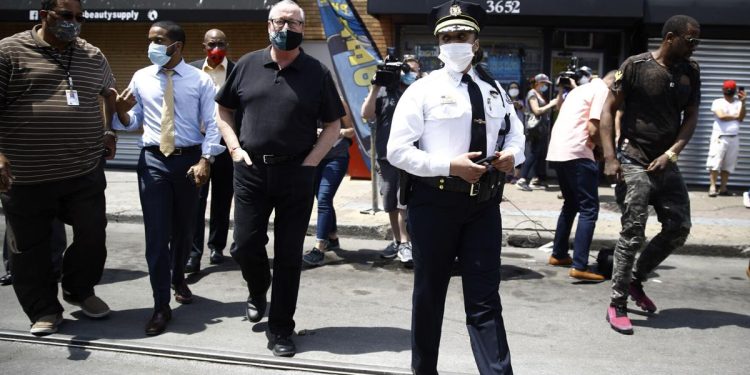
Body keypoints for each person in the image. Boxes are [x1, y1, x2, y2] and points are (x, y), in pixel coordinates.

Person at [387, 1, 525, 373]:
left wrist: (513, 155)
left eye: (461, 35)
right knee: (429, 297)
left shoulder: (494, 88)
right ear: (438, 44)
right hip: (435, 204)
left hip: (484, 207)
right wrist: (449, 166)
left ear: (476, 41)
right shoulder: (422, 90)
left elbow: (516, 133)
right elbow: (396, 151)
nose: (454, 42)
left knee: (485, 300)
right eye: (446, 37)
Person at [214, 0, 344, 357]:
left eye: (293, 22)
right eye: (279, 21)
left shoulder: (316, 72)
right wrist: (235, 148)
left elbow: (333, 124)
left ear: (303, 28)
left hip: (295, 175)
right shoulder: (246, 65)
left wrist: (312, 162)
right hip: (251, 171)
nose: (285, 28)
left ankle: (282, 329)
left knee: (288, 255)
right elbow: (224, 108)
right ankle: (258, 289)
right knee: (243, 244)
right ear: (268, 25)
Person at [0, 0, 117, 336]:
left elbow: (108, 93)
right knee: (30, 247)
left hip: (83, 168)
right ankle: (44, 309)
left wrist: (109, 131)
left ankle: (79, 290)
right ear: (44, 16)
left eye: (80, 17)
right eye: (67, 16)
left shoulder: (91, 54)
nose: (75, 23)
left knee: (93, 234)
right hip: (26, 174)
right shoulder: (10, 51)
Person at [111, 20, 224, 336]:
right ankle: (161, 305)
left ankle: (178, 278)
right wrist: (119, 111)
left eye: (159, 40)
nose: (153, 47)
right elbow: (132, 120)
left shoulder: (200, 81)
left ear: (178, 46)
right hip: (153, 162)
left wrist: (206, 159)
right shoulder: (141, 77)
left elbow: (213, 123)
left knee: (185, 229)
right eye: (150, 40)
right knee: (157, 236)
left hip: (189, 162)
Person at [599, 15, 701, 335]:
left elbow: (692, 115)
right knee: (634, 230)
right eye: (690, 40)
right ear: (670, 38)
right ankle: (616, 303)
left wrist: (671, 154)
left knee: (678, 227)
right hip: (633, 159)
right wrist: (610, 158)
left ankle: (634, 280)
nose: (694, 47)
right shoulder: (635, 65)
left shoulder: (691, 70)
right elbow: (607, 111)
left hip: (665, 162)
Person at [546, 71, 616, 281]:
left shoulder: (580, 90)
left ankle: (558, 254)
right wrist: (605, 153)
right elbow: (593, 128)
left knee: (571, 203)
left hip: (559, 151)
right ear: (615, 82)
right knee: (589, 208)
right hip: (578, 152)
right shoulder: (603, 90)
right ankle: (580, 265)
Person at [185, 28, 239, 273]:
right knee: (195, 200)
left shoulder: (238, 70)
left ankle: (217, 246)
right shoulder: (191, 70)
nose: (216, 49)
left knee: (222, 198)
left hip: (227, 145)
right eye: (211, 44)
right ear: (203, 46)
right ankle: (193, 253)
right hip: (198, 144)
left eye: (220, 43)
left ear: (227, 44)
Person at [361, 55, 423, 265]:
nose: (409, 75)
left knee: (403, 201)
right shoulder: (384, 94)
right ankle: (398, 241)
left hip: (410, 157)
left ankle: (406, 242)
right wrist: (376, 87)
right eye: (406, 71)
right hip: (385, 158)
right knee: (390, 201)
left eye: (414, 70)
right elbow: (366, 114)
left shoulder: (419, 93)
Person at [302, 100, 355, 266]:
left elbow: (352, 131)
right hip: (315, 157)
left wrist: (336, 132)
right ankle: (332, 236)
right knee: (322, 197)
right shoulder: (306, 99)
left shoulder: (338, 102)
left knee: (324, 198)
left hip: (336, 157)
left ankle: (320, 247)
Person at [516, 73, 560, 191]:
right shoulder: (532, 94)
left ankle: (536, 179)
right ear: (538, 83)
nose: (545, 86)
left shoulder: (539, 94)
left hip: (541, 128)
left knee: (539, 154)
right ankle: (522, 179)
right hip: (535, 128)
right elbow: (536, 111)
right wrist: (551, 104)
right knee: (534, 153)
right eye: (544, 83)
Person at [705, 80, 745, 197]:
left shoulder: (739, 103)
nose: (729, 92)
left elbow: (741, 117)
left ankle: (723, 188)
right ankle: (712, 187)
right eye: (727, 90)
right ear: (723, 90)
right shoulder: (718, 102)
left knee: (728, 164)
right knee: (715, 162)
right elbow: (721, 116)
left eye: (731, 90)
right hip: (720, 137)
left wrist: (744, 102)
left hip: (734, 137)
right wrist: (735, 116)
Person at [506, 81, 524, 184]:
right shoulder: (505, 100)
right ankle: (508, 174)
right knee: (508, 151)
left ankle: (516, 175)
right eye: (511, 87)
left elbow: (526, 111)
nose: (514, 89)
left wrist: (519, 106)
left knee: (518, 152)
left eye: (515, 87)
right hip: (508, 130)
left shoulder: (522, 101)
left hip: (520, 130)